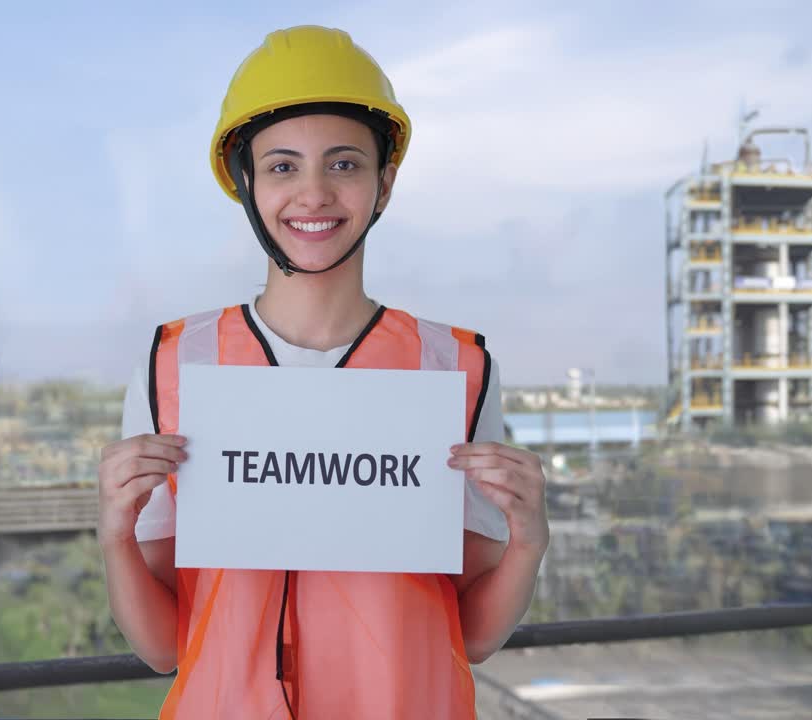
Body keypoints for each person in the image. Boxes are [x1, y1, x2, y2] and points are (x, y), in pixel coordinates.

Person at [98, 25, 549, 719]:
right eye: (282, 166)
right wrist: (115, 534)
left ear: (384, 183)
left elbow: (477, 635)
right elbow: (164, 648)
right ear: (245, 182)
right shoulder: (175, 364)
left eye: (343, 164)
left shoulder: (453, 368)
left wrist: (528, 542)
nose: (313, 194)